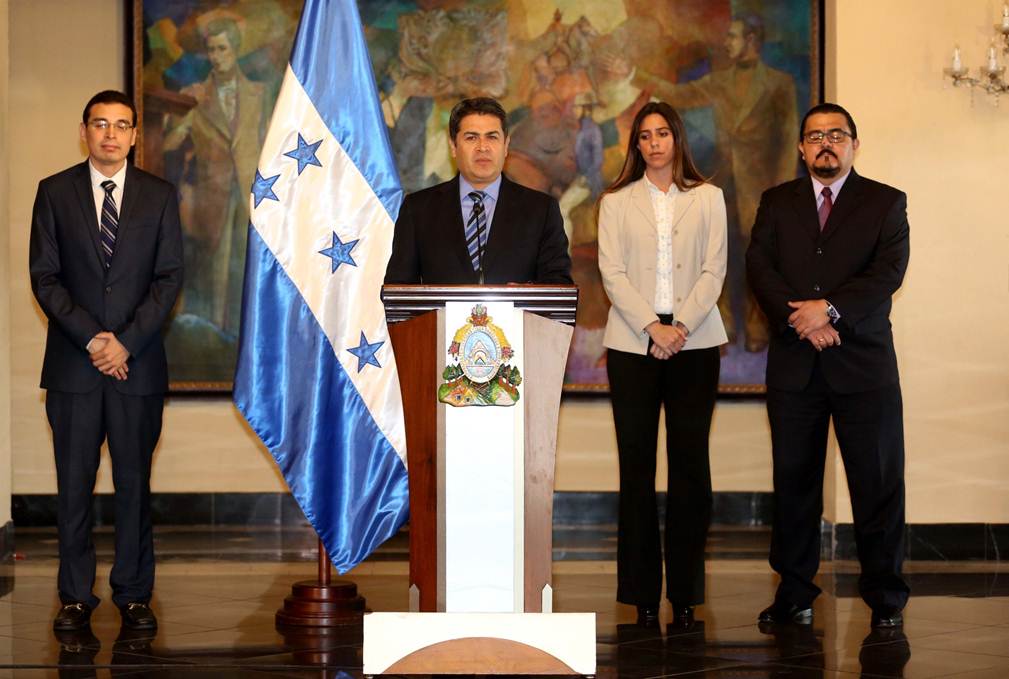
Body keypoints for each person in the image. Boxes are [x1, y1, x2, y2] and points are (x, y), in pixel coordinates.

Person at [746, 103, 910, 629]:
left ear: (854, 145)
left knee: (877, 484)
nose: (825, 144)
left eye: (836, 135)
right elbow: (760, 268)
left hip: (864, 367)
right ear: (801, 148)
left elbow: (888, 272)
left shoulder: (885, 202)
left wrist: (830, 310)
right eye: (815, 136)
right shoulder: (777, 202)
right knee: (794, 485)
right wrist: (804, 320)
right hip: (796, 367)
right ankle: (794, 592)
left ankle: (885, 597)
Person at [29, 90, 184, 632]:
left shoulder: (160, 196)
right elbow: (44, 278)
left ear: (135, 135)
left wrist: (126, 342)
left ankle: (134, 594)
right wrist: (95, 340)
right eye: (100, 124)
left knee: (134, 486)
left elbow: (168, 278)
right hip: (74, 367)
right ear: (84, 131)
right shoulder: (54, 192)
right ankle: (74, 597)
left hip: (137, 366)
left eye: (121, 125)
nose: (111, 134)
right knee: (73, 487)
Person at [597, 101, 727, 626]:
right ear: (636, 144)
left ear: (678, 139)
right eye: (645, 136)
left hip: (695, 343)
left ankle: (687, 593)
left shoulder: (709, 197)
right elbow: (611, 272)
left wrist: (681, 328)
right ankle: (642, 594)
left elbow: (714, 270)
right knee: (637, 468)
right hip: (634, 345)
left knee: (691, 468)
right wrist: (653, 327)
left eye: (663, 134)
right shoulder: (615, 202)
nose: (654, 143)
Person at [632, 14, 798, 352]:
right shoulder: (720, 81)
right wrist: (634, 74)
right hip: (722, 183)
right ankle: (723, 324)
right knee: (717, 257)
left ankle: (757, 324)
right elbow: (678, 94)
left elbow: (788, 138)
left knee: (758, 258)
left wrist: (781, 189)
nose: (726, 42)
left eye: (733, 36)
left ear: (751, 40)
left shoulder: (779, 83)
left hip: (759, 187)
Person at [385, 97, 573, 285]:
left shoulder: (541, 210)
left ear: (506, 146)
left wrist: (525, 297)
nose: (483, 147)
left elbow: (559, 285)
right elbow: (398, 288)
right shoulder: (418, 209)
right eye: (471, 137)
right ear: (453, 147)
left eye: (492, 137)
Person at [163, 17, 269, 337]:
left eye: (222, 48)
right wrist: (181, 111)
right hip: (213, 195)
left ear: (235, 49)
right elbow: (170, 143)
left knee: (249, 269)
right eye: (211, 50)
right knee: (216, 275)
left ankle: (247, 336)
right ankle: (217, 339)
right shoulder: (195, 96)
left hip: (254, 196)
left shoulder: (259, 94)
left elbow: (272, 144)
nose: (216, 56)